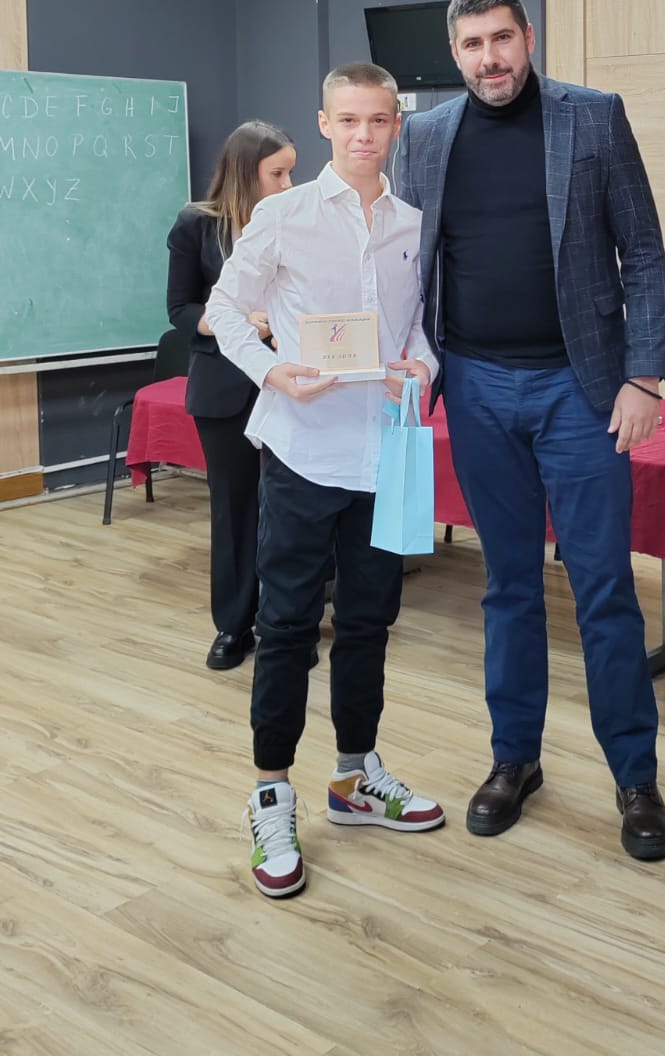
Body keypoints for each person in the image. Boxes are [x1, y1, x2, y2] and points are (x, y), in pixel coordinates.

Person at [397, 0, 665, 862]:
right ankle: (514, 759)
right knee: (508, 585)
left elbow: (644, 250)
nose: (491, 58)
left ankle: (635, 778)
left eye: (502, 39)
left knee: (604, 589)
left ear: (528, 36)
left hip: (580, 393)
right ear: (455, 54)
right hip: (476, 389)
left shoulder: (593, 117)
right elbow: (405, 263)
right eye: (472, 44)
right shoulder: (424, 137)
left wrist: (644, 376)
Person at [207, 62, 445, 900]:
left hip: (385, 453)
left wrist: (422, 366)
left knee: (371, 622)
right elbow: (224, 310)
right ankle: (272, 794)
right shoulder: (284, 214)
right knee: (286, 627)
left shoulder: (413, 223)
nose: (363, 135)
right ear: (323, 124)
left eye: (377, 120)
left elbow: (420, 327)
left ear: (396, 125)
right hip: (304, 453)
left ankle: (355, 777)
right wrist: (272, 372)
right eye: (348, 120)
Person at [166, 120, 296, 671]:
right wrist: (235, 324)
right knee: (235, 508)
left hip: (291, 384)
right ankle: (234, 626)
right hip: (223, 388)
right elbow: (179, 309)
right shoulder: (196, 225)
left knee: (292, 509)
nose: (288, 184)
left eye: (291, 172)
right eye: (278, 174)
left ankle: (287, 623)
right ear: (246, 173)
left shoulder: (295, 220)